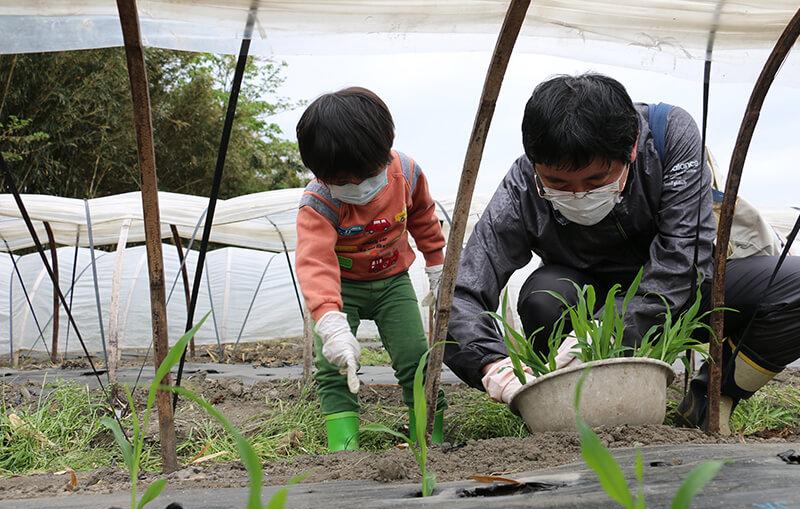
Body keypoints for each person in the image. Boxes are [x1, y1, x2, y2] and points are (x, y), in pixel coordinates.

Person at [444, 73, 800, 435]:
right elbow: (462, 290)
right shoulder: (522, 184)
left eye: (596, 181)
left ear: (630, 150)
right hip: (586, 297)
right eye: (559, 185)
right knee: (544, 297)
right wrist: (489, 362)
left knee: (795, 287)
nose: (579, 195)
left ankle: (710, 396)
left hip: (683, 291)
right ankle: (563, 410)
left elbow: (685, 256)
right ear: (536, 165)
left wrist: (609, 330)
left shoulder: (667, 137)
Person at [295, 86, 447, 451]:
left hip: (393, 283)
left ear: (384, 151)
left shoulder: (407, 174)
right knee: (334, 366)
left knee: (417, 362)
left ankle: (430, 440)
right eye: (341, 182)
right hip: (342, 289)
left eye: (363, 176)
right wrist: (329, 321)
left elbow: (425, 218)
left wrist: (437, 265)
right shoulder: (319, 203)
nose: (356, 188)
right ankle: (343, 450)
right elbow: (315, 262)